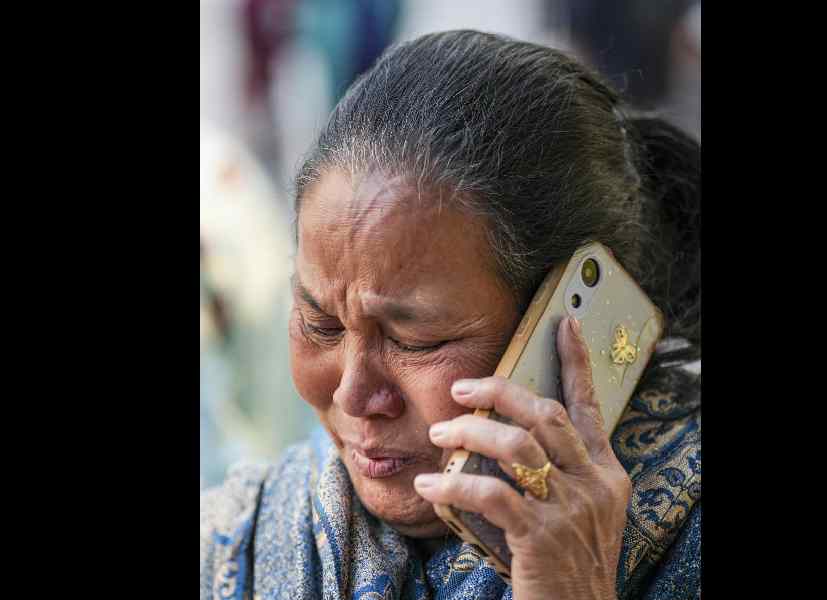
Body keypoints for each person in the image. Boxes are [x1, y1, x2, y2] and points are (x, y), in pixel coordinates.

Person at [200, 30, 701, 600]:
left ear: (564, 330)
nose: (354, 395)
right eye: (321, 324)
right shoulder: (239, 545)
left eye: (415, 340)